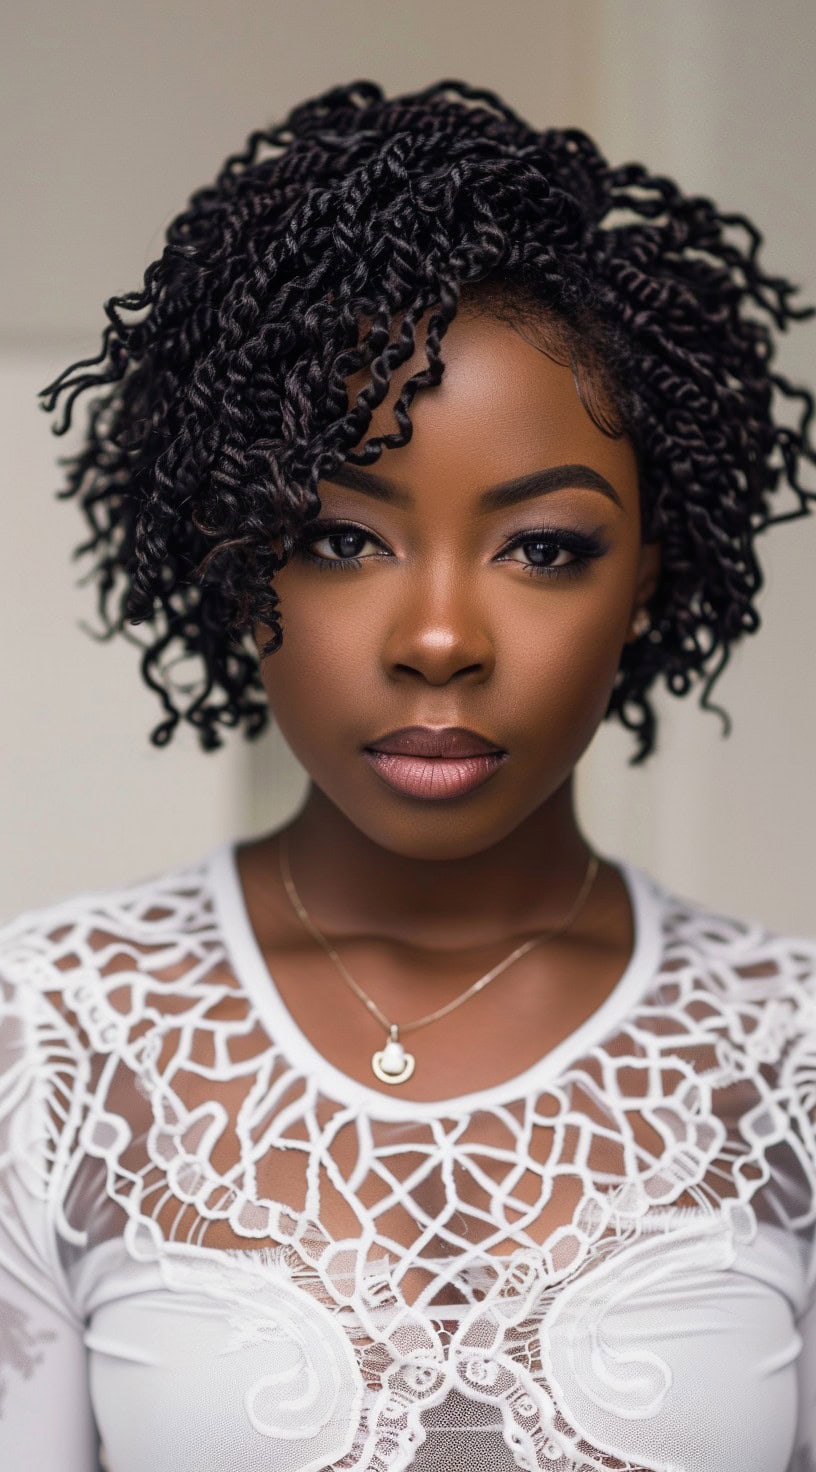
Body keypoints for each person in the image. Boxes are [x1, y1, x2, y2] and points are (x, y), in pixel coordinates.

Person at [1, 76, 814, 1472]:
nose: (440, 638)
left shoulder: (790, 1053)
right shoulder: (50, 1037)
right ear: (236, 555)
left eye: (544, 546)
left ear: (644, 583)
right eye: (342, 539)